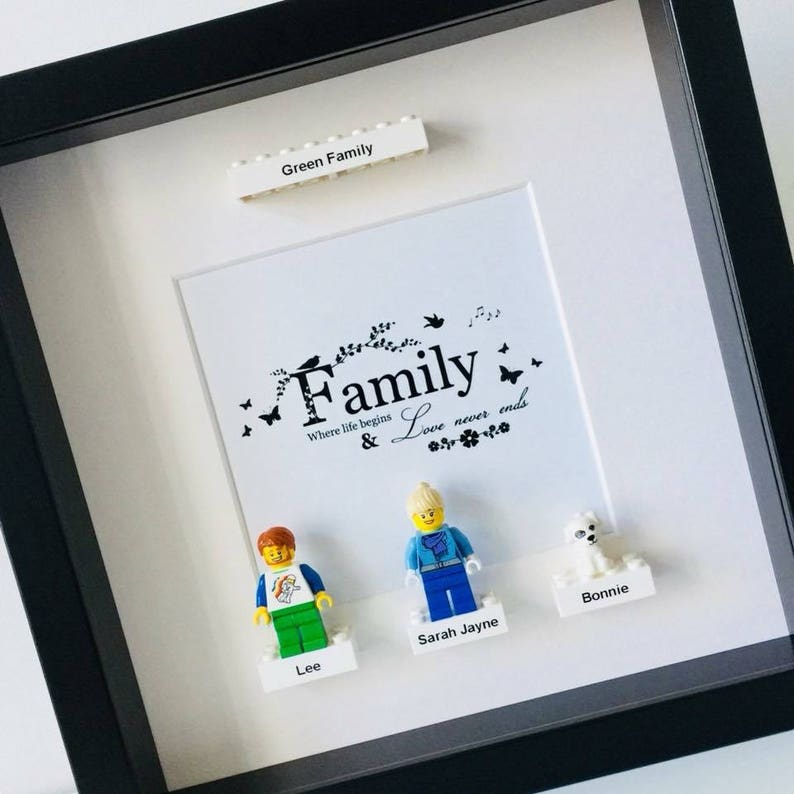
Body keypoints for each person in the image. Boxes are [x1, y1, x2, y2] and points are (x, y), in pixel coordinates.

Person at [404, 482, 481, 621]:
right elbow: (411, 557)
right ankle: (442, 620)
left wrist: (471, 558)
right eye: (422, 516)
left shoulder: (452, 532)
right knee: (436, 601)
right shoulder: (415, 542)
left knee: (462, 594)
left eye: (431, 513)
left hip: (455, 568)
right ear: (414, 518)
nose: (428, 517)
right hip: (430, 574)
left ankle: (468, 617)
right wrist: (411, 572)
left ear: (441, 510)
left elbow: (463, 544)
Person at [252, 526, 333, 658]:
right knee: (285, 631)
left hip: (305, 607)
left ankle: (315, 641)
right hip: (279, 612)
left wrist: (320, 594)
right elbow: (262, 593)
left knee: (310, 625)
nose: (275, 556)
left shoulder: (301, 569)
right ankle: (290, 647)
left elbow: (314, 579)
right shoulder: (265, 578)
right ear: (264, 556)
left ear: (290, 548)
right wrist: (262, 608)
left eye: (279, 552)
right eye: (271, 554)